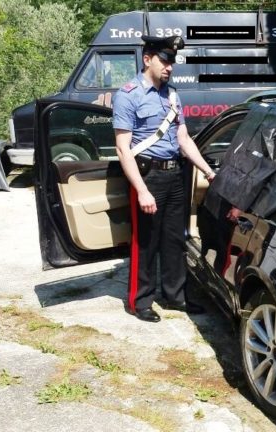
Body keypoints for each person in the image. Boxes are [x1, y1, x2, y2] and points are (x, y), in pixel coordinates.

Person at [112, 35, 216, 323]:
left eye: (173, 62)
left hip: (175, 176)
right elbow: (123, 148)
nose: (170, 66)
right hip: (147, 176)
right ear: (148, 59)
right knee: (145, 242)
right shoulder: (128, 94)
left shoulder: (172, 95)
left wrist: (207, 170)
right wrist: (142, 190)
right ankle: (140, 301)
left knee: (174, 241)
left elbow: (183, 138)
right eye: (165, 60)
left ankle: (176, 296)